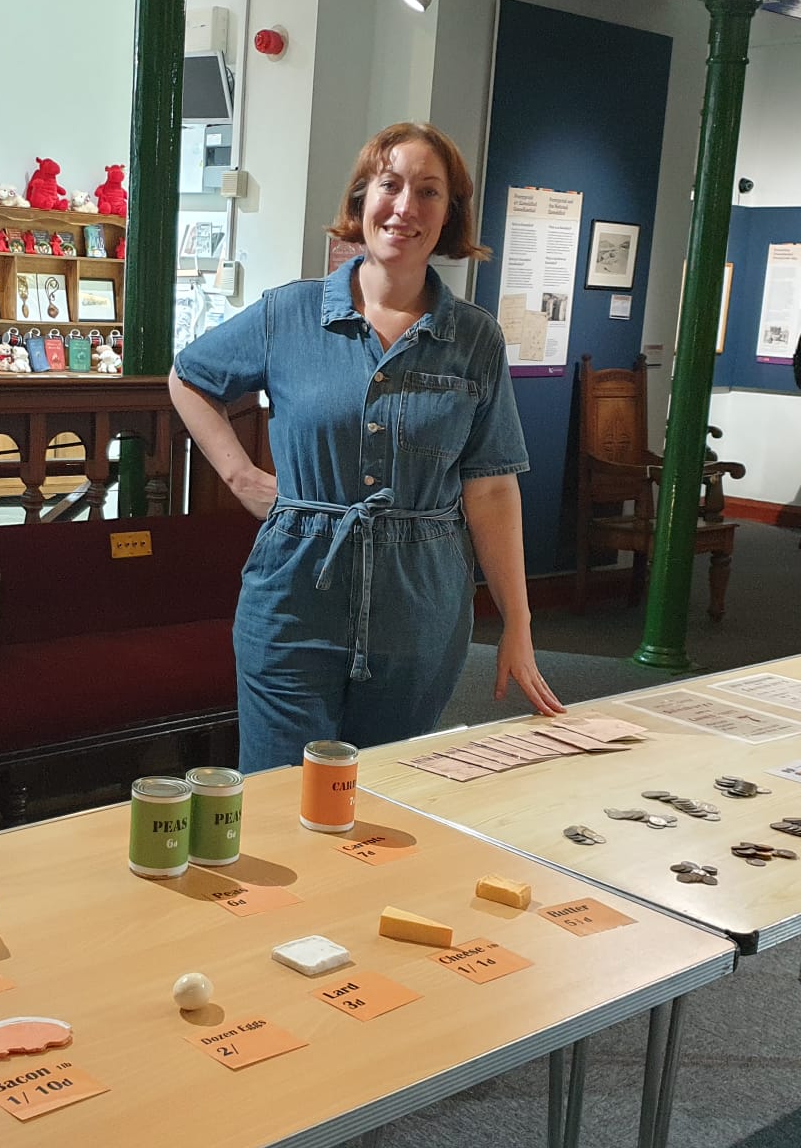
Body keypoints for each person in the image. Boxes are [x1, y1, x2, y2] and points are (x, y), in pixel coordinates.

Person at [170, 122, 562, 775]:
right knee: (278, 795)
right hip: (295, 593)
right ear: (361, 199)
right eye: (391, 185)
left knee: (379, 796)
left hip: (421, 608)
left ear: (449, 214)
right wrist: (238, 474)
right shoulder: (287, 315)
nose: (406, 207)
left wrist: (517, 622)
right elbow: (190, 376)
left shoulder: (475, 339)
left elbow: (491, 486)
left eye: (429, 192)